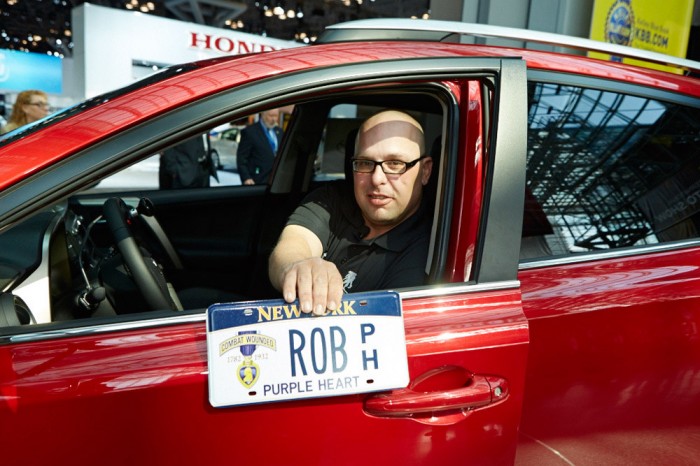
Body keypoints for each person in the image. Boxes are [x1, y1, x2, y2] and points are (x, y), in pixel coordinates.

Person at [268, 109, 433, 316]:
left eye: (395, 164)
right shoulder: (331, 199)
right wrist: (300, 267)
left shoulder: (429, 248)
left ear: (425, 171)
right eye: (365, 163)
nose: (376, 179)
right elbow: (292, 246)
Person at [237, 109, 282, 185]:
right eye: (271, 116)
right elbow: (241, 158)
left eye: (276, 116)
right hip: (257, 181)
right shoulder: (250, 132)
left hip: (276, 182)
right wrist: (246, 177)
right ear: (263, 115)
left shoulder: (279, 131)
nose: (274, 119)